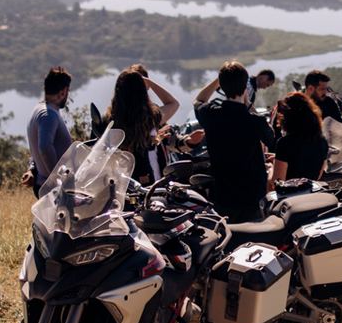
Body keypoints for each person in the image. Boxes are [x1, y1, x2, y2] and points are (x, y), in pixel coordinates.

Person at [194, 61, 276, 222]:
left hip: (223, 195)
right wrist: (247, 104)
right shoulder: (255, 121)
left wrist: (219, 80)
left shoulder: (210, 114)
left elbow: (198, 100)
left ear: (222, 87)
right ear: (246, 87)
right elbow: (271, 139)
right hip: (251, 197)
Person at [107, 66, 180, 186]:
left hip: (122, 185)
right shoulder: (149, 118)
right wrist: (148, 82)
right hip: (151, 182)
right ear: (143, 91)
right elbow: (173, 103)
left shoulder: (109, 120)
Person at [22, 66, 73, 192]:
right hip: (53, 189)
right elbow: (44, 146)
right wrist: (57, 180)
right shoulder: (48, 115)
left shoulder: (39, 110)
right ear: (63, 92)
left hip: (46, 185)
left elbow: (37, 149)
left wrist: (32, 168)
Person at [271, 92, 329, 183]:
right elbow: (318, 175)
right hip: (310, 194)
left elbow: (277, 183)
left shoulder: (284, 143)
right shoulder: (323, 142)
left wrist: (271, 168)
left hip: (289, 196)